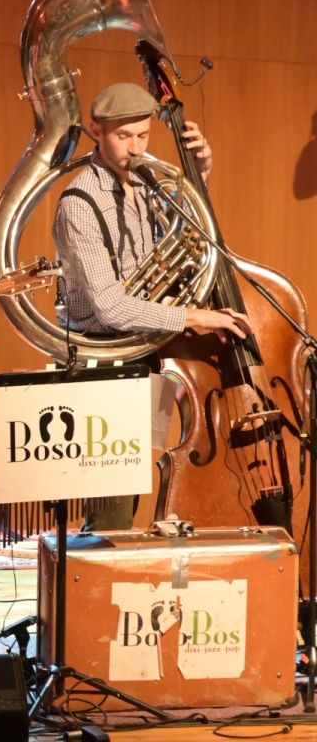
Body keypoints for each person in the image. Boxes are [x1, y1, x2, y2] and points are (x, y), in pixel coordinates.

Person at [53, 82, 252, 528]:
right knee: (110, 512)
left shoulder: (146, 184)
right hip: (102, 360)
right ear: (96, 132)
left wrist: (200, 173)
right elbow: (111, 307)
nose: (136, 148)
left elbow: (184, 237)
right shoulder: (79, 203)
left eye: (143, 135)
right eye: (124, 136)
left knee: (141, 486)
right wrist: (198, 316)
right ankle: (92, 568)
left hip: (145, 350)